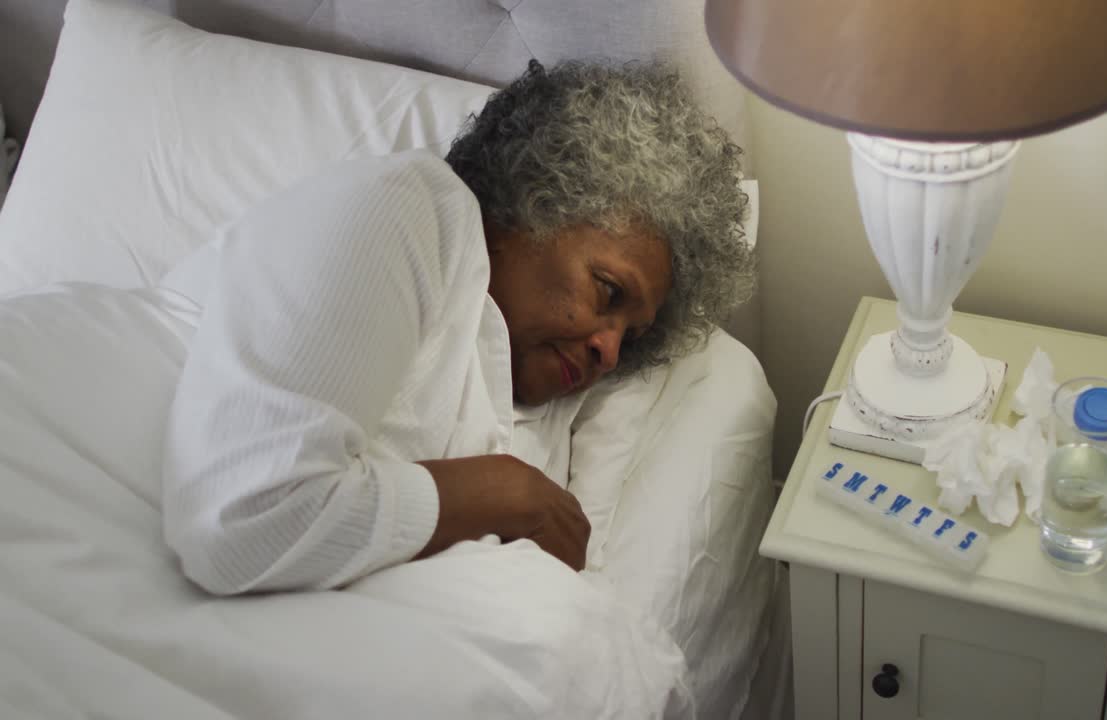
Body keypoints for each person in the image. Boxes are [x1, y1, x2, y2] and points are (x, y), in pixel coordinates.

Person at [160, 60, 755, 595]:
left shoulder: (544, 407)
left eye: (632, 336)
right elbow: (241, 523)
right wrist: (502, 493)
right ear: (534, 201)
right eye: (608, 291)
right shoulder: (408, 211)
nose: (608, 348)